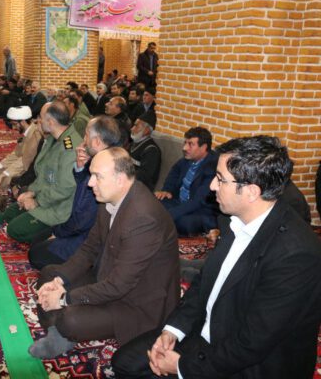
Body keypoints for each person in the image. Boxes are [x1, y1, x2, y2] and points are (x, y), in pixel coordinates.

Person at [113, 135, 321, 379]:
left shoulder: (296, 254)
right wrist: (173, 330)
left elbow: (252, 342)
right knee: (124, 363)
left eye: (220, 179)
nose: (212, 186)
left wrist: (182, 367)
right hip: (211, 332)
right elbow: (204, 283)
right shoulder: (233, 220)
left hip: (252, 363)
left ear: (252, 191)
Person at [29, 147, 179, 358]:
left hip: (136, 301)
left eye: (97, 176)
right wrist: (59, 282)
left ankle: (62, 328)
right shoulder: (109, 197)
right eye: (91, 175)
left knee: (71, 319)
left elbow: (119, 286)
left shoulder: (144, 218)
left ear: (120, 179)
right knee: (50, 274)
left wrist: (64, 299)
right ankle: (59, 331)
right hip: (109, 277)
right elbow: (90, 248)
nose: (90, 183)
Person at [0, 102, 81, 244]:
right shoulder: (53, 138)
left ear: (50, 122)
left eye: (41, 117)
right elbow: (42, 174)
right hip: (44, 194)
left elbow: (64, 188)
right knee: (10, 213)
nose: (38, 121)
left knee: (14, 230)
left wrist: (36, 201)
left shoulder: (70, 148)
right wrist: (30, 192)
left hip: (58, 207)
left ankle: (58, 231)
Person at [28, 116, 123, 269]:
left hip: (90, 239)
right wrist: (79, 167)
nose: (83, 140)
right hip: (82, 227)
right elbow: (82, 192)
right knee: (37, 240)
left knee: (36, 254)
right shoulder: (105, 157)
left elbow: (81, 219)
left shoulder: (105, 171)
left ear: (97, 142)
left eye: (86, 135)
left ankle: (84, 269)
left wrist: (58, 233)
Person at [155, 127, 219, 235]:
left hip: (200, 211)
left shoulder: (213, 167)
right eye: (185, 143)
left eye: (191, 144)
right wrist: (167, 190)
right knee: (154, 203)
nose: (185, 148)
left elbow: (198, 201)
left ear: (203, 147)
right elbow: (174, 172)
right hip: (180, 202)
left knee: (182, 222)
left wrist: (169, 214)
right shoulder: (187, 159)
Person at [0, 106, 43, 190]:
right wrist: (0, 165)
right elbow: (17, 154)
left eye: (14, 124)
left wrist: (5, 173)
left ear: (23, 122)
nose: (13, 128)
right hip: (25, 163)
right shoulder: (27, 132)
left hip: (32, 169)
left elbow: (25, 161)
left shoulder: (35, 135)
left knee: (5, 178)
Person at [129, 111, 161, 191]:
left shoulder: (151, 150)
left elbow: (144, 176)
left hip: (141, 188)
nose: (132, 128)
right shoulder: (134, 143)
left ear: (146, 130)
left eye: (136, 126)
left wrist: (125, 176)